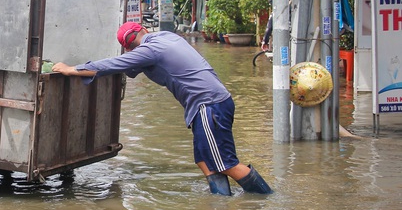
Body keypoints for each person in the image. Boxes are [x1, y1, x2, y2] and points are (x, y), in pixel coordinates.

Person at [52, 21, 273, 196]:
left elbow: (113, 65)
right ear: (145, 30)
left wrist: (72, 69)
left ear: (128, 47)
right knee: (204, 160)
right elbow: (129, 67)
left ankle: (265, 201)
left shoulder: (148, 51)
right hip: (210, 104)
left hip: (209, 105)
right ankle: (220, 207)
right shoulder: (167, 37)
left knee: (225, 163)